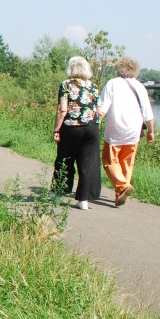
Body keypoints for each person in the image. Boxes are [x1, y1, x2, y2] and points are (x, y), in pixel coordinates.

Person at [96, 56, 156, 206]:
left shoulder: (112, 84)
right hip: (134, 132)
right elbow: (148, 111)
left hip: (116, 130)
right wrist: (151, 131)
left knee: (109, 161)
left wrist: (96, 125)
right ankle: (119, 194)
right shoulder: (139, 86)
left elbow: (102, 109)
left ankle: (123, 186)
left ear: (118, 69)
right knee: (126, 163)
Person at [52, 56, 101, 210]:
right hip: (91, 128)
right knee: (87, 164)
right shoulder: (93, 86)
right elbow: (99, 111)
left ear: (71, 69)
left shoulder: (66, 85)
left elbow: (62, 109)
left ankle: (60, 192)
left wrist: (56, 129)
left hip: (72, 127)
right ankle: (83, 200)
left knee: (65, 159)